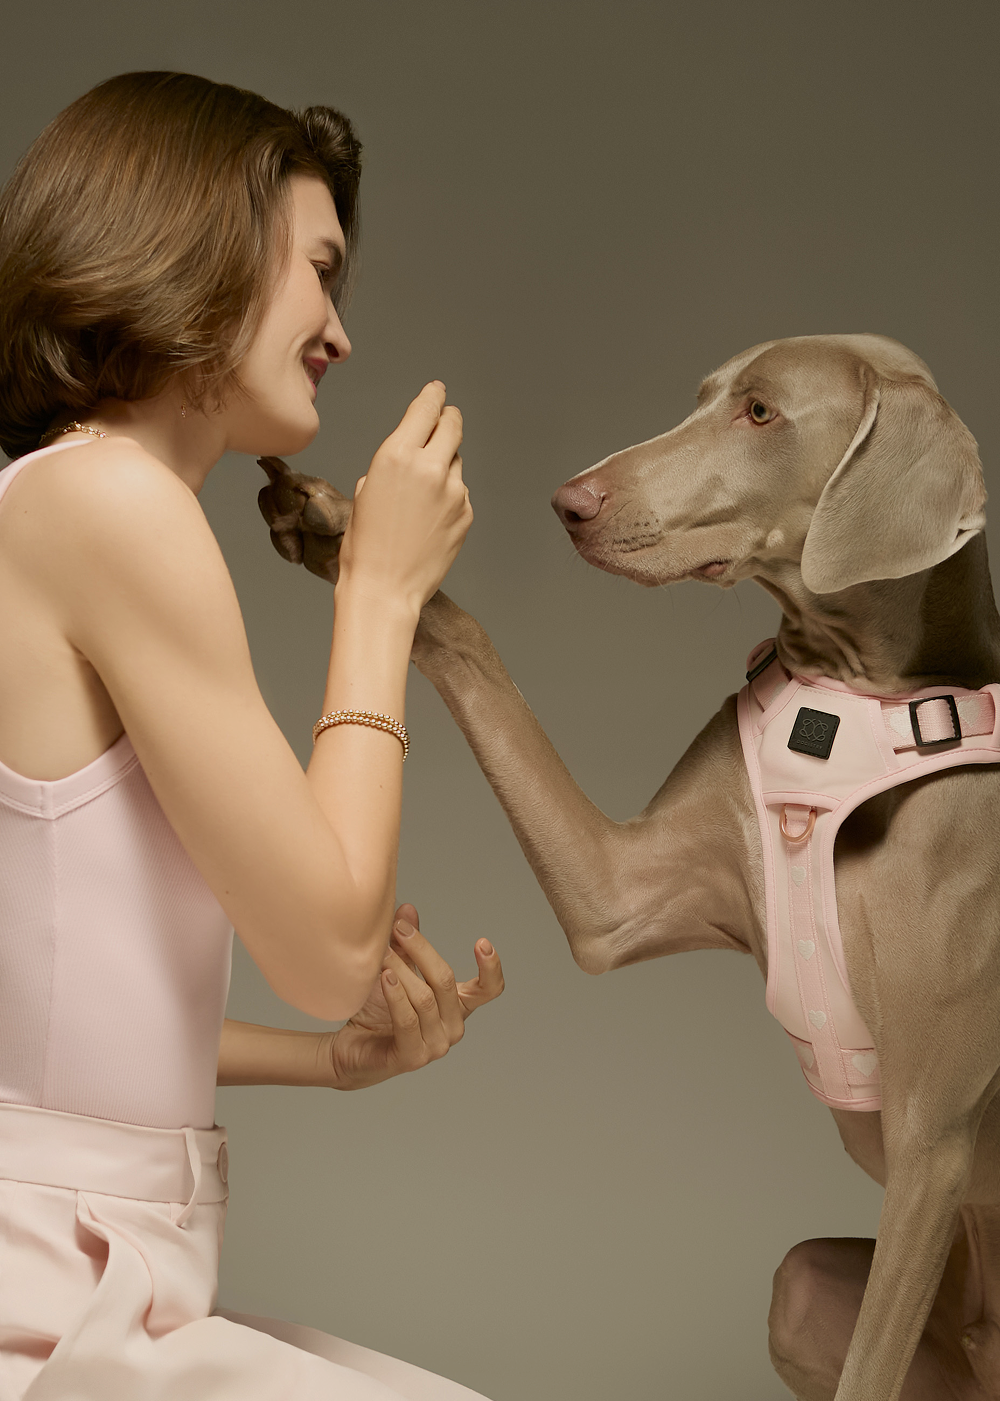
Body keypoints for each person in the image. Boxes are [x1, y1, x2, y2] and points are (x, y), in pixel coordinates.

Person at [0, 70, 502, 1400]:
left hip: (79, 1279)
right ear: (199, 242)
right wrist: (381, 592)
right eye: (319, 271)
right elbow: (334, 948)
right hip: (55, 1305)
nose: (339, 328)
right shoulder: (110, 498)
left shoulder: (45, 505)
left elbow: (51, 1000)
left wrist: (326, 1066)